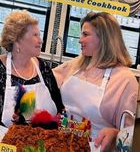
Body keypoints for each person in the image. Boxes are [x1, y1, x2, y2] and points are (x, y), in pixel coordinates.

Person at [52, 11, 139, 152]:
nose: (80, 39)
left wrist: (115, 134)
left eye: (85, 34)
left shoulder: (125, 80)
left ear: (104, 38)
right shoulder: (75, 65)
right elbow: (46, 82)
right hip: (60, 144)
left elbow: (127, 137)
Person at [0, 9, 64, 144]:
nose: (40, 40)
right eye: (35, 35)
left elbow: (59, 109)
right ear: (17, 40)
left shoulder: (44, 69)